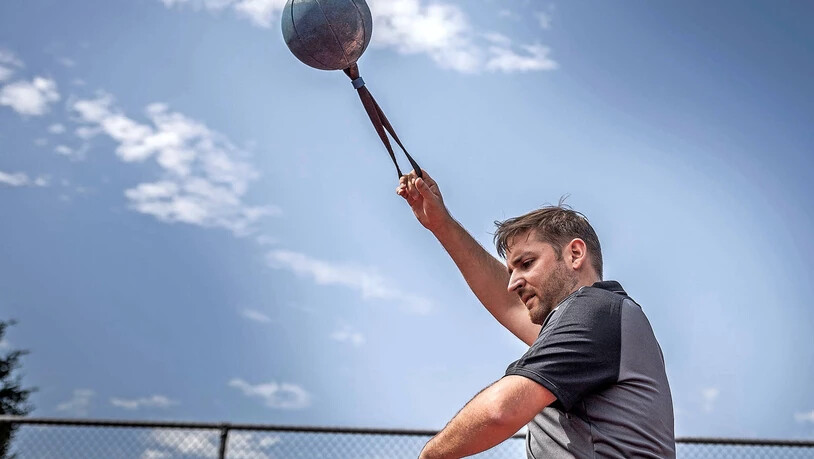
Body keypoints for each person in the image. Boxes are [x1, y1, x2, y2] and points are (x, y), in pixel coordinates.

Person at [396, 170, 675, 459]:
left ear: (575, 254)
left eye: (526, 263)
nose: (512, 283)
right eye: (511, 270)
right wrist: (441, 224)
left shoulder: (593, 310)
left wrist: (429, 456)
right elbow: (509, 305)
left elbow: (500, 410)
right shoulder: (608, 323)